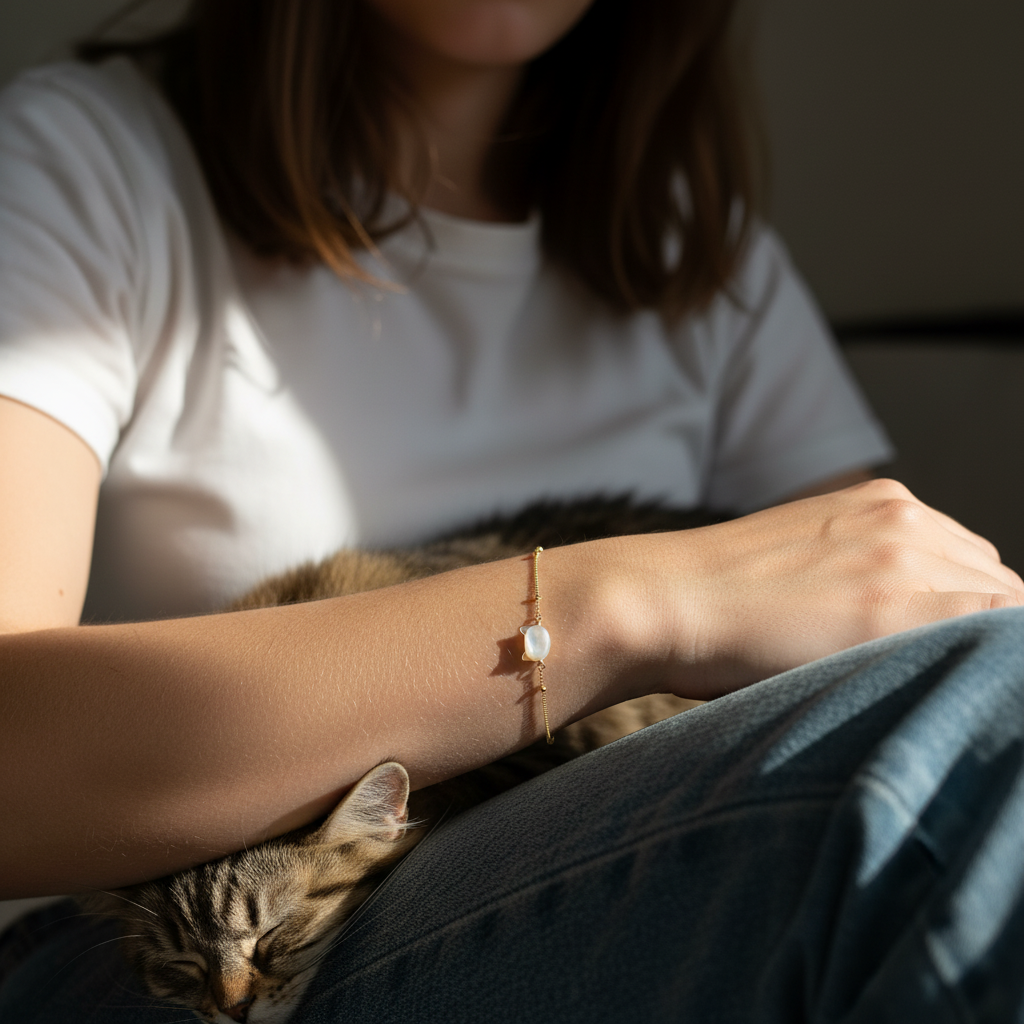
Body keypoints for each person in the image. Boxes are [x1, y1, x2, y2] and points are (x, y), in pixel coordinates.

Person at [0, 0, 1021, 1019]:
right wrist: (619, 608)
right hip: (160, 958)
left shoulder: (688, 240)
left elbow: (904, 658)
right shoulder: (82, 160)